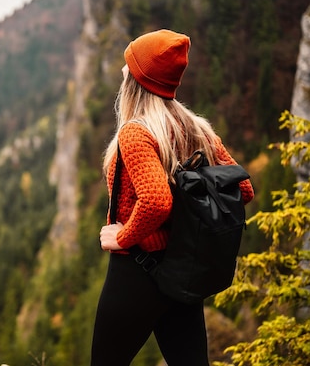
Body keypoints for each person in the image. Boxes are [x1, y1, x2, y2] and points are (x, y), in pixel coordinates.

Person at [90, 29, 255, 366]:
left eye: (128, 65)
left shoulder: (136, 133)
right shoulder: (195, 127)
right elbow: (242, 189)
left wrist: (122, 237)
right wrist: (189, 216)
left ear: (138, 78)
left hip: (135, 274)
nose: (123, 69)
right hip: (181, 270)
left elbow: (156, 201)